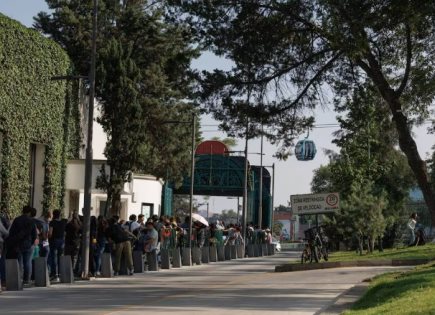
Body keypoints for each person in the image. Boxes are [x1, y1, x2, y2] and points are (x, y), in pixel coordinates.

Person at [5, 206, 37, 286]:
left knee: (20, 262)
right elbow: (34, 234)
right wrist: (31, 242)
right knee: (28, 262)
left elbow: (12, 232)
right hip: (28, 244)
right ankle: (27, 280)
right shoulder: (32, 221)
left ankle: (19, 279)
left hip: (18, 243)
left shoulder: (17, 220)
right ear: (29, 212)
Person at [48, 209, 67, 281]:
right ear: (60, 215)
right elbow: (65, 232)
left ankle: (54, 275)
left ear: (53, 215)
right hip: (61, 241)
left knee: (53, 257)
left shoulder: (52, 222)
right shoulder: (63, 222)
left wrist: (48, 238)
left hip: (54, 241)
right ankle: (59, 274)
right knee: (60, 257)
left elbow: (50, 233)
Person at [64, 212, 82, 276]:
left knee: (68, 256)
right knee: (75, 257)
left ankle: (68, 270)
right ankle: (73, 270)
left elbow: (65, 231)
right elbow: (81, 231)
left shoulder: (69, 224)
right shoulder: (79, 225)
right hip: (76, 243)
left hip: (68, 242)